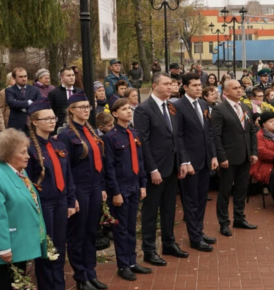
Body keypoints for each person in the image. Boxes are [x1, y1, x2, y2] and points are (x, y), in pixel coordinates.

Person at [134, 73, 189, 266]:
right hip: (156, 169)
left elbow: (178, 137)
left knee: (168, 208)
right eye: (166, 84)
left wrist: (183, 161)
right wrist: (152, 169)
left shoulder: (171, 107)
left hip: (173, 166)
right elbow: (144, 142)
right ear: (155, 86)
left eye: (171, 84)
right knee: (151, 211)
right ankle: (149, 250)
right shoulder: (143, 109)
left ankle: (168, 243)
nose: (170, 87)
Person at [58, 92, 108, 290]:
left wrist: (102, 187)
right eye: (81, 107)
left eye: (88, 107)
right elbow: (66, 169)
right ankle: (81, 276)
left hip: (95, 187)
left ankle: (90, 272)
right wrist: (72, 197)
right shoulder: (66, 135)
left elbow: (100, 162)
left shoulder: (90, 131)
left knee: (91, 232)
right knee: (78, 234)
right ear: (71, 110)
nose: (86, 110)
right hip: (79, 189)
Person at [25, 99, 77, 290]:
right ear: (34, 122)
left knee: (60, 245)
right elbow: (27, 181)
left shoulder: (58, 144)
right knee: (46, 248)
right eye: (46, 119)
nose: (51, 121)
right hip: (43, 204)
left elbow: (68, 175)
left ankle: (59, 284)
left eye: (53, 118)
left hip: (61, 201)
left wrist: (71, 199)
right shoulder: (29, 148)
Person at [103, 98, 152, 281]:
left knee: (132, 226)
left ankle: (132, 261)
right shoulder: (111, 137)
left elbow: (139, 162)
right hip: (121, 187)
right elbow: (109, 167)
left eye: (129, 108)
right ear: (115, 114)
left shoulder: (134, 133)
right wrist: (115, 192)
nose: (129, 111)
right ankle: (123, 265)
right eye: (124, 109)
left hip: (134, 185)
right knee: (121, 229)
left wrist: (142, 184)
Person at [174, 73, 218, 252]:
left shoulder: (203, 104)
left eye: (200, 85)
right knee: (190, 200)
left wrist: (214, 155)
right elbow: (179, 136)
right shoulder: (178, 106)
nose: (199, 88)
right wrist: (185, 160)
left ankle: (199, 230)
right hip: (190, 162)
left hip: (206, 160)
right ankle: (194, 237)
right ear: (185, 87)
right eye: (194, 85)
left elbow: (209, 133)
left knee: (201, 199)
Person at [0, 128, 49, 289]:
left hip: (20, 243)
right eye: (23, 152)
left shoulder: (20, 172)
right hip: (8, 247)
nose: (28, 156)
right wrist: (3, 247)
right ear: (8, 154)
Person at [211, 80, 258, 236]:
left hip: (245, 157)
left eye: (240, 88)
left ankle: (239, 218)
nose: (239, 90)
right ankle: (224, 222)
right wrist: (221, 157)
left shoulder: (245, 107)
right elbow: (216, 135)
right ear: (226, 92)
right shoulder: (219, 109)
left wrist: (253, 152)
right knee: (225, 191)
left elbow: (251, 132)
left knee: (241, 190)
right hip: (228, 159)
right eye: (235, 88)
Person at [250, 112, 274, 215]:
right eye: (270, 121)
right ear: (263, 124)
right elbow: (261, 152)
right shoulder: (259, 135)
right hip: (264, 164)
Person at [7, 67, 43, 131]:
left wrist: (19, 103)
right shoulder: (10, 90)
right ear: (14, 78)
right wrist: (29, 102)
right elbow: (11, 103)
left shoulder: (35, 89)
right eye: (20, 77)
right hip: (16, 124)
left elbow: (40, 104)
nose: (23, 79)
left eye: (25, 76)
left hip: (33, 123)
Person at [48, 67, 79, 133]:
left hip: (78, 126)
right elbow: (51, 111)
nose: (72, 77)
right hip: (60, 128)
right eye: (68, 75)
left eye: (73, 75)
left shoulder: (79, 92)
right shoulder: (54, 93)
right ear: (62, 77)